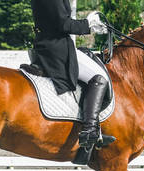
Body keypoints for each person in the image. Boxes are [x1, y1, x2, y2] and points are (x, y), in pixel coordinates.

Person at [30, 0, 115, 158]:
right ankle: (89, 131)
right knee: (100, 78)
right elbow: (64, 24)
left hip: (52, 45)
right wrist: (88, 25)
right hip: (56, 49)